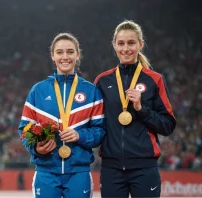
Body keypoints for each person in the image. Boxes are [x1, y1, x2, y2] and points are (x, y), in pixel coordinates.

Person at [94, 20, 176, 197]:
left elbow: (168, 125)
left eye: (131, 43)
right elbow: (92, 121)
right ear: (114, 45)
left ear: (140, 44)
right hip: (111, 168)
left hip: (145, 168)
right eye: (121, 43)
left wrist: (141, 108)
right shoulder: (102, 81)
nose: (126, 48)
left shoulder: (154, 80)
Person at [18, 33, 105, 198]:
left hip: (78, 172)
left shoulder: (91, 91)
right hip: (46, 170)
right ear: (52, 56)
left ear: (78, 54)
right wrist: (35, 148)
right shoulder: (38, 91)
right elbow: (24, 129)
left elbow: (100, 132)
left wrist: (79, 135)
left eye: (70, 52)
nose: (65, 57)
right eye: (59, 52)